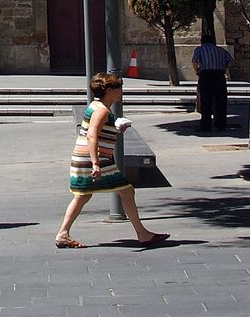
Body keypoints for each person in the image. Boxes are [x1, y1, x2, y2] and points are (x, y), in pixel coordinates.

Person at [55, 72, 169, 249]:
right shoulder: (101, 110)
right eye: (119, 88)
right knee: (126, 190)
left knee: (83, 195)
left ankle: (63, 233)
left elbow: (96, 131)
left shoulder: (97, 106)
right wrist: (95, 163)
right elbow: (92, 136)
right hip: (95, 158)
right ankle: (142, 234)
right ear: (109, 90)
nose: (122, 91)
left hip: (85, 156)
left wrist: (115, 128)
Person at [191, 30, 233, 132]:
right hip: (219, 75)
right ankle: (221, 124)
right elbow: (231, 62)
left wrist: (197, 71)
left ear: (202, 42)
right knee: (221, 100)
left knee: (206, 100)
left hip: (206, 75)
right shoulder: (221, 50)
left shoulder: (200, 49)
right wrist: (223, 67)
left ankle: (206, 125)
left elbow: (194, 61)